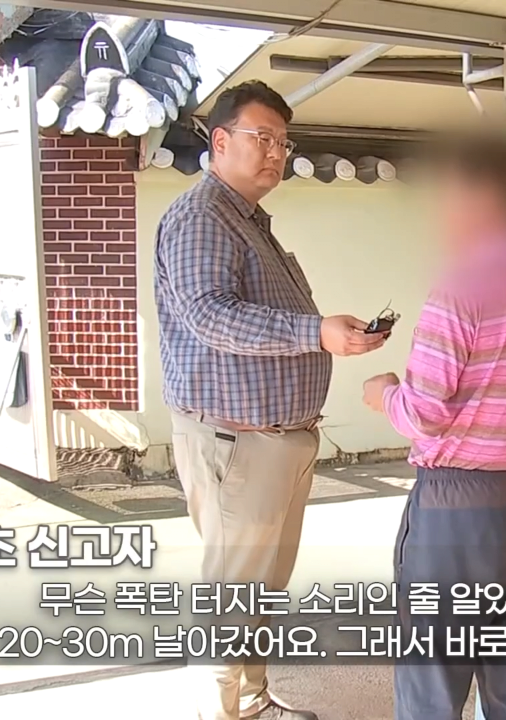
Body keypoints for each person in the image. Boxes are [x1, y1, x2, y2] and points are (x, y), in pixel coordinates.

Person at [154, 80, 386, 720]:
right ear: (220, 141)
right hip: (239, 441)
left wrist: (328, 333)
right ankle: (221, 709)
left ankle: (252, 700)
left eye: (284, 142)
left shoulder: (248, 220)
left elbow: (267, 318)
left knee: (262, 587)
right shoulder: (202, 217)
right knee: (234, 592)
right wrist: (316, 333)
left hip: (278, 440)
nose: (276, 153)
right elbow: (210, 315)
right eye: (263, 138)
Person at [362, 133, 506, 720]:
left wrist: (383, 394)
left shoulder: (460, 288)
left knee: (432, 687)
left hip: (458, 512)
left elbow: (423, 413)